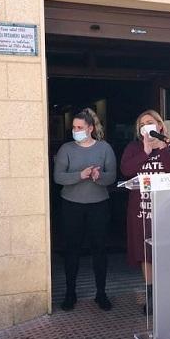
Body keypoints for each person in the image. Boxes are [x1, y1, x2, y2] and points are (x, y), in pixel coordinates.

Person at [120, 110, 170, 314]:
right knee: (145, 255)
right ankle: (151, 297)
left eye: (149, 122)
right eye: (141, 124)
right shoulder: (134, 147)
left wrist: (163, 148)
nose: (145, 126)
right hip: (141, 210)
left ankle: (167, 295)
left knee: (164, 253)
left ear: (160, 126)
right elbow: (126, 170)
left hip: (165, 211)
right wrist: (145, 151)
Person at [53, 108, 117, 311]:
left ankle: (101, 293)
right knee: (72, 250)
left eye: (79, 127)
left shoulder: (104, 148)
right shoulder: (66, 149)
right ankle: (70, 293)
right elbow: (58, 177)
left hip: (99, 204)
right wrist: (79, 175)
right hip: (71, 205)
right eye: (74, 127)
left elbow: (112, 176)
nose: (75, 130)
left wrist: (99, 177)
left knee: (99, 250)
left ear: (90, 128)